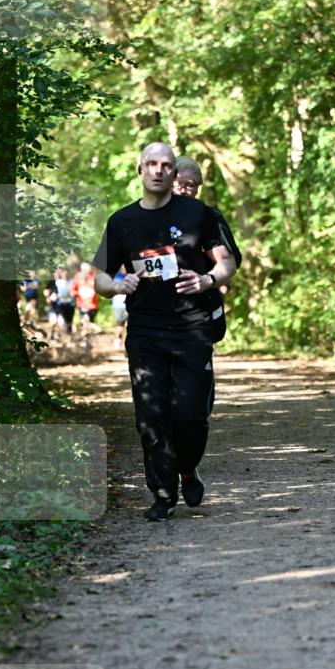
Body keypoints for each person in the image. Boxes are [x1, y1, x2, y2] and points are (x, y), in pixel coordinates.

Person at [92, 141, 236, 521]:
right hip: (146, 332)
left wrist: (207, 280)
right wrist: (116, 286)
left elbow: (227, 262)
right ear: (140, 170)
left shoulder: (198, 214)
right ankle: (162, 492)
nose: (158, 170)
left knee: (190, 415)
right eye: (151, 164)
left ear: (174, 173)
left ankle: (187, 468)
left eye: (166, 165)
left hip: (192, 328)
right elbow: (100, 277)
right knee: (152, 417)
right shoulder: (122, 222)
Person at [172, 156, 242, 292]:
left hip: (203, 296)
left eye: (189, 185)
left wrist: (210, 279)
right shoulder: (154, 214)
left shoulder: (208, 216)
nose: (182, 190)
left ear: (197, 189)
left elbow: (230, 261)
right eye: (178, 183)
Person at [71, 261, 99, 346]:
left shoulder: (94, 275)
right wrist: (78, 292)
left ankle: (88, 340)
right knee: (85, 323)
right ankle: (85, 341)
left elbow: (100, 287)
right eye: (83, 270)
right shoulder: (77, 276)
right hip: (82, 305)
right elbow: (72, 290)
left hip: (93, 306)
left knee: (88, 324)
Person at [111, 268, 128, 350]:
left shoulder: (130, 275)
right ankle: (118, 339)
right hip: (118, 305)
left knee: (129, 325)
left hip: (127, 305)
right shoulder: (117, 277)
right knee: (120, 325)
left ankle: (125, 343)